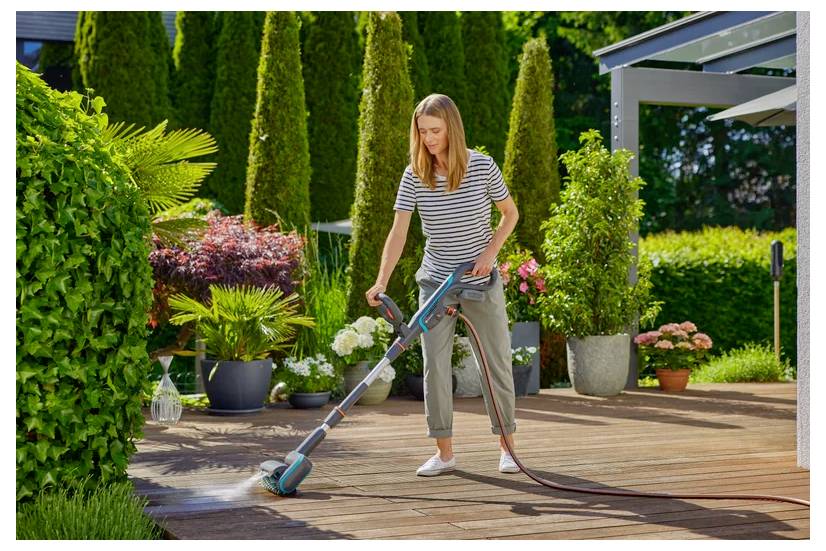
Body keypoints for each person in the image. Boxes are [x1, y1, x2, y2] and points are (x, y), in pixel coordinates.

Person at [365, 93, 520, 476]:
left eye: (435, 130)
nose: (429, 138)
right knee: (434, 364)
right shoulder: (413, 174)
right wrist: (381, 280)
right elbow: (398, 231)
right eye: (422, 132)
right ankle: (445, 453)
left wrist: (488, 254)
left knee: (494, 362)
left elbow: (510, 214)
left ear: (452, 127)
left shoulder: (482, 167)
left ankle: (507, 448)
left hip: (480, 279)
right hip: (437, 280)